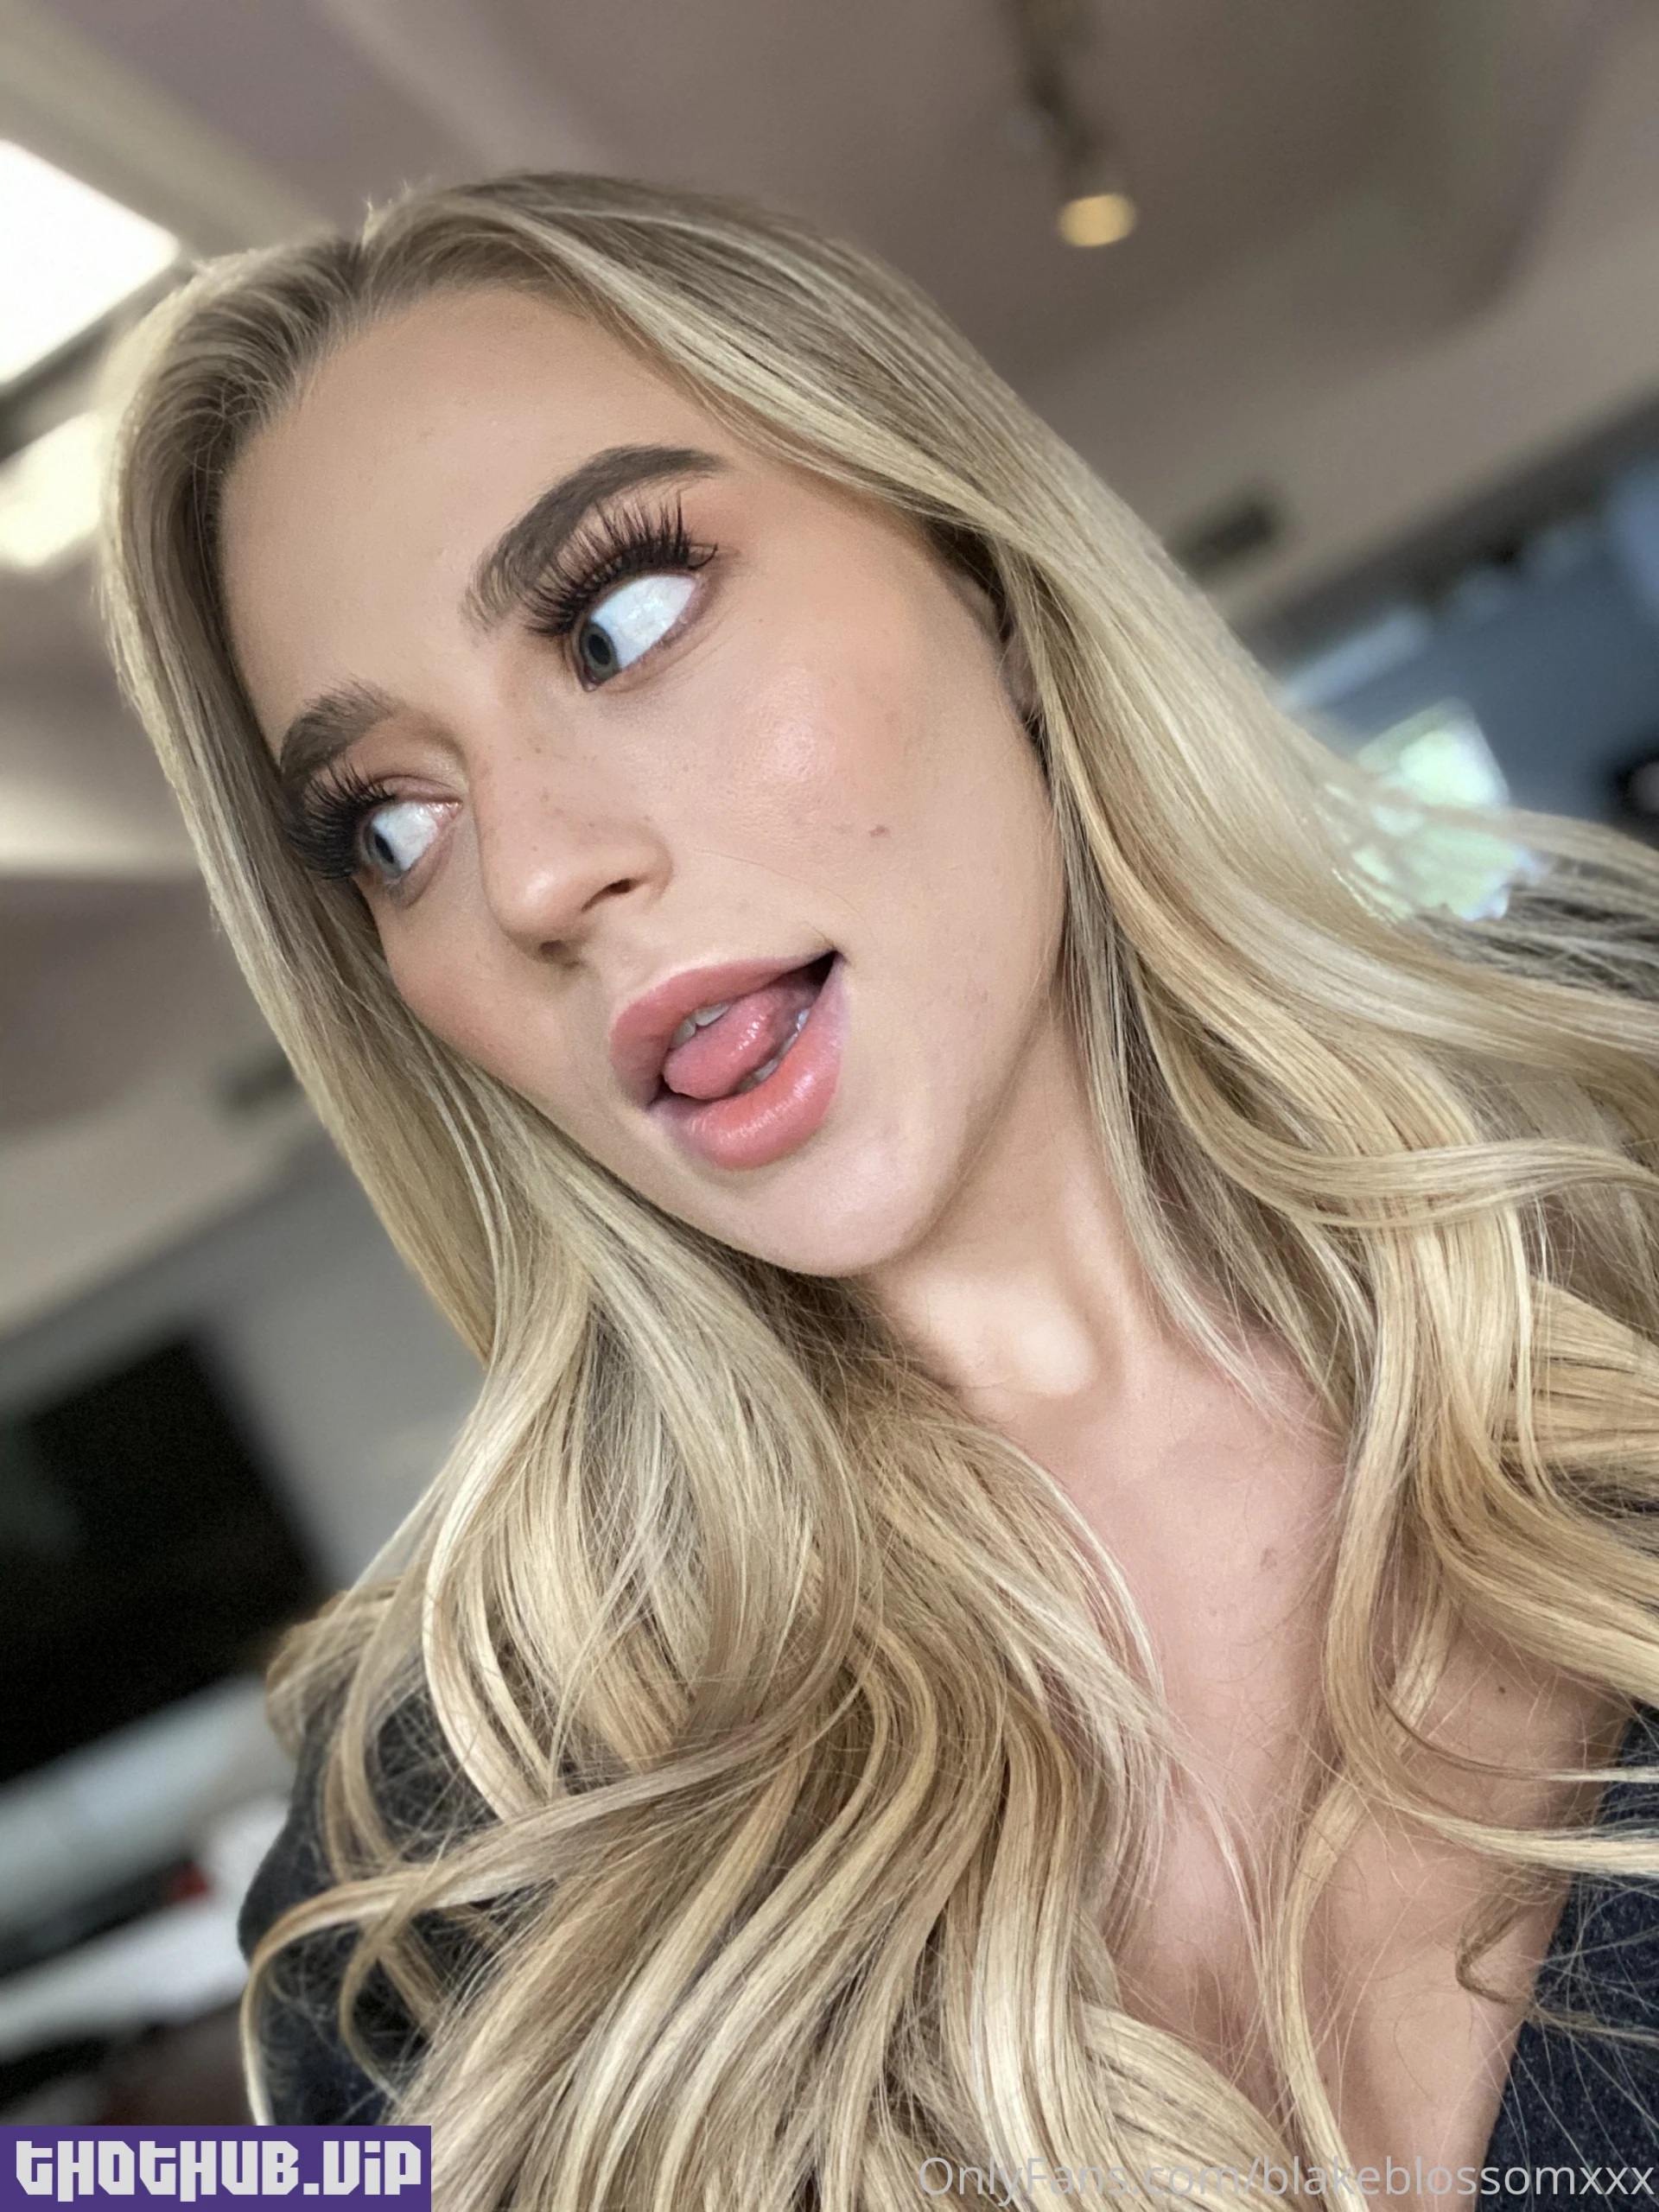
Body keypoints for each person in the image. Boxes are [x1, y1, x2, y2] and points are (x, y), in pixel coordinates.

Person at [99, 172, 1659, 2209]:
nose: (540, 873)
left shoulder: (1622, 1166)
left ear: (974, 569)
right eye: (391, 821)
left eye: (618, 622)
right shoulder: (445, 1854)